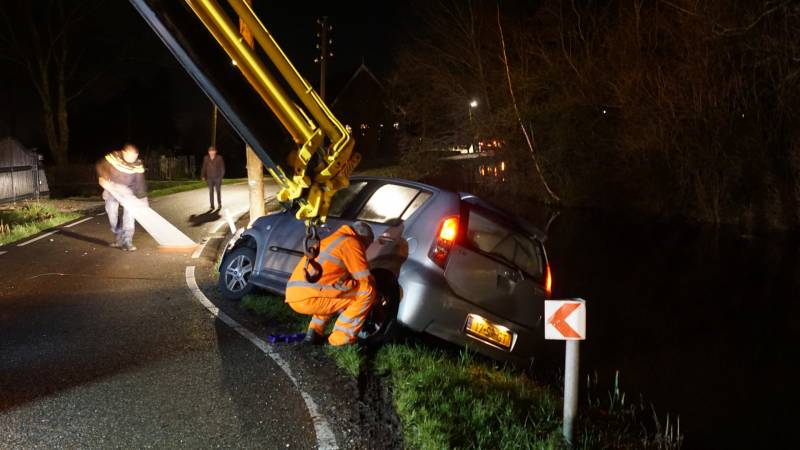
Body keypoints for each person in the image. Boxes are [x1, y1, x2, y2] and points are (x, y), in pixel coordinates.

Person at [285, 222, 377, 346]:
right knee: (367, 292)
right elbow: (365, 280)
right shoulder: (352, 242)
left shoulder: (334, 239)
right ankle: (339, 342)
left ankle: (314, 333)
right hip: (309, 298)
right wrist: (376, 295)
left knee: (334, 294)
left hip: (294, 296)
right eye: (366, 245)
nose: (365, 249)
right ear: (363, 238)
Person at [96, 144, 147, 251]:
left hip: (129, 193)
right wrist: (102, 178)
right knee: (111, 213)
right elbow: (101, 166)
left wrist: (142, 199)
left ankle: (127, 241)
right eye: (130, 157)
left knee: (129, 216)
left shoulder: (137, 164)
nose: (132, 160)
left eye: (135, 157)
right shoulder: (113, 157)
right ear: (124, 153)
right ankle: (118, 237)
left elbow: (140, 183)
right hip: (111, 190)